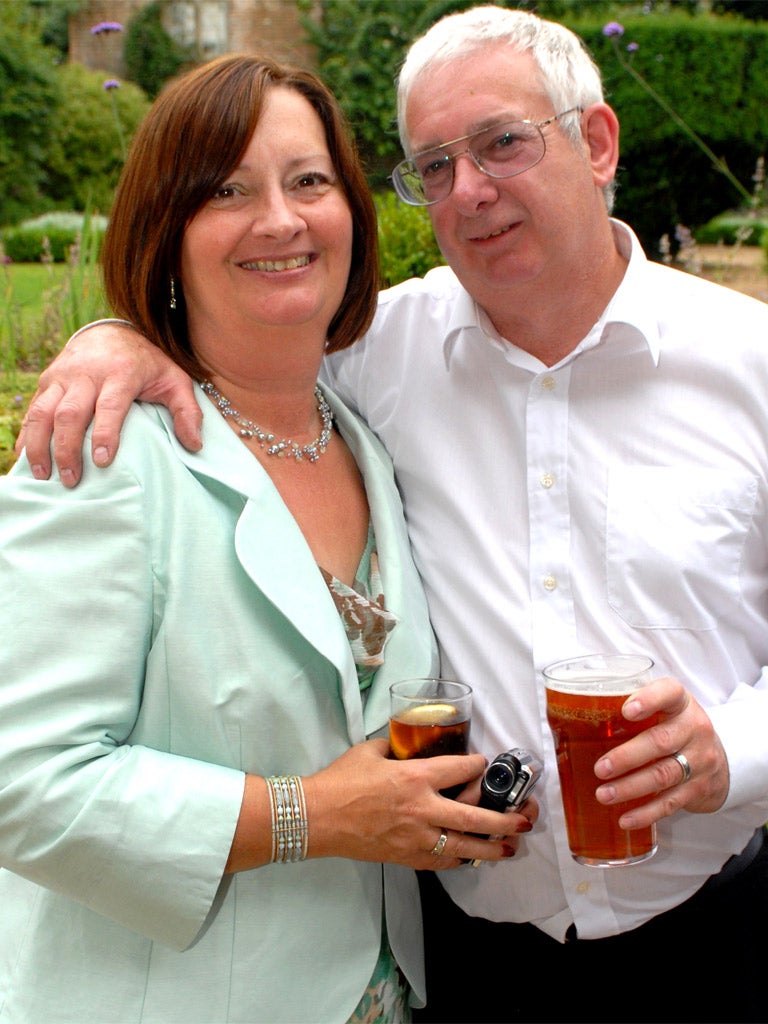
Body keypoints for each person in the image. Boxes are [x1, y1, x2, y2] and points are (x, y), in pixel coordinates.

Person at [14, 6, 768, 1022]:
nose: (472, 191)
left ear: (596, 143)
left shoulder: (749, 364)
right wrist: (117, 335)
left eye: (504, 142)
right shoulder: (374, 362)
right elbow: (244, 320)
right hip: (463, 959)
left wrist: (734, 745)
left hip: (720, 927)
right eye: (434, 165)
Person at [0, 51, 533, 1024]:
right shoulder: (104, 451)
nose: (281, 219)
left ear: (352, 214)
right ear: (169, 230)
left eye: (309, 181)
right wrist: (311, 815)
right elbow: (21, 780)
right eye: (228, 191)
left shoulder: (369, 436)